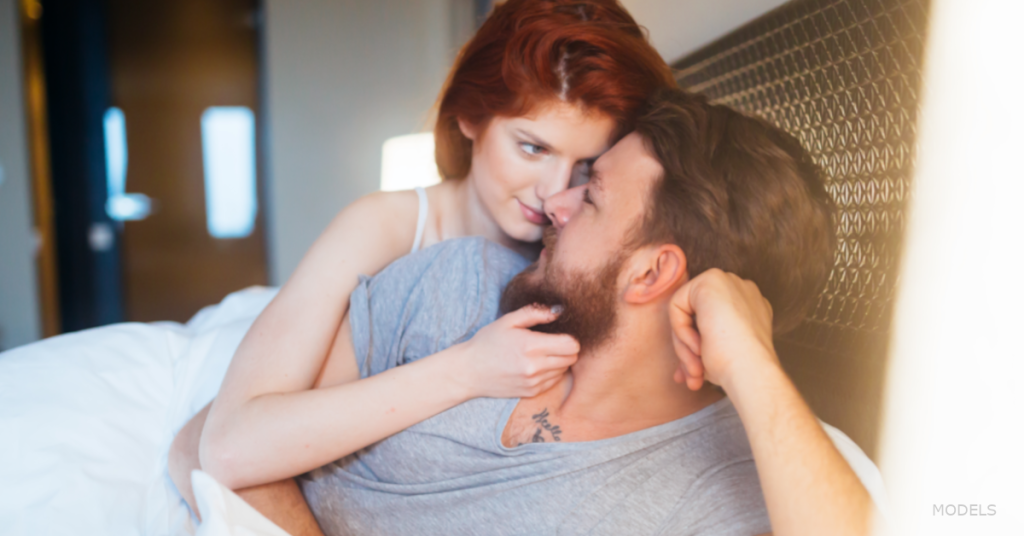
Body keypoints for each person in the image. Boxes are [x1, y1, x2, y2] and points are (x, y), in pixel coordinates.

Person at [181, 88, 884, 535]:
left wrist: (754, 366)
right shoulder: (459, 284)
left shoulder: (710, 491)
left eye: (593, 193)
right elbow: (209, 443)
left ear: (650, 274)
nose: (557, 203)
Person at [168, 0, 677, 530]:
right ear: (471, 117)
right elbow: (219, 445)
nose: (554, 193)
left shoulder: (585, 264)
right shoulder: (384, 227)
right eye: (532, 148)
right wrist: (469, 369)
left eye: (585, 169)